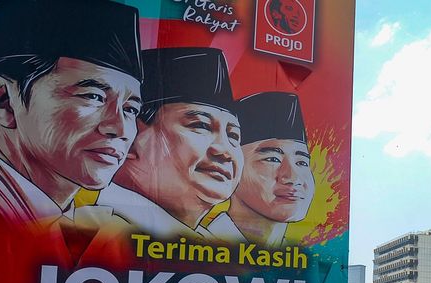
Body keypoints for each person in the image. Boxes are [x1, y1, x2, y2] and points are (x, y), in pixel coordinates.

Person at [0, 0, 143, 227]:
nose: (120, 129)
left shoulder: (102, 239)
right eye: (92, 96)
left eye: (130, 109)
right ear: (3, 100)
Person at [100, 47, 246, 241]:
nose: (225, 150)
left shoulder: (221, 248)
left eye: (234, 136)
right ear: (132, 136)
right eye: (201, 125)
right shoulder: (88, 231)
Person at [223, 92, 315, 247]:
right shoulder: (196, 247)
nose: (293, 178)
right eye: (272, 159)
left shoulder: (299, 262)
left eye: (302, 162)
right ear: (231, 166)